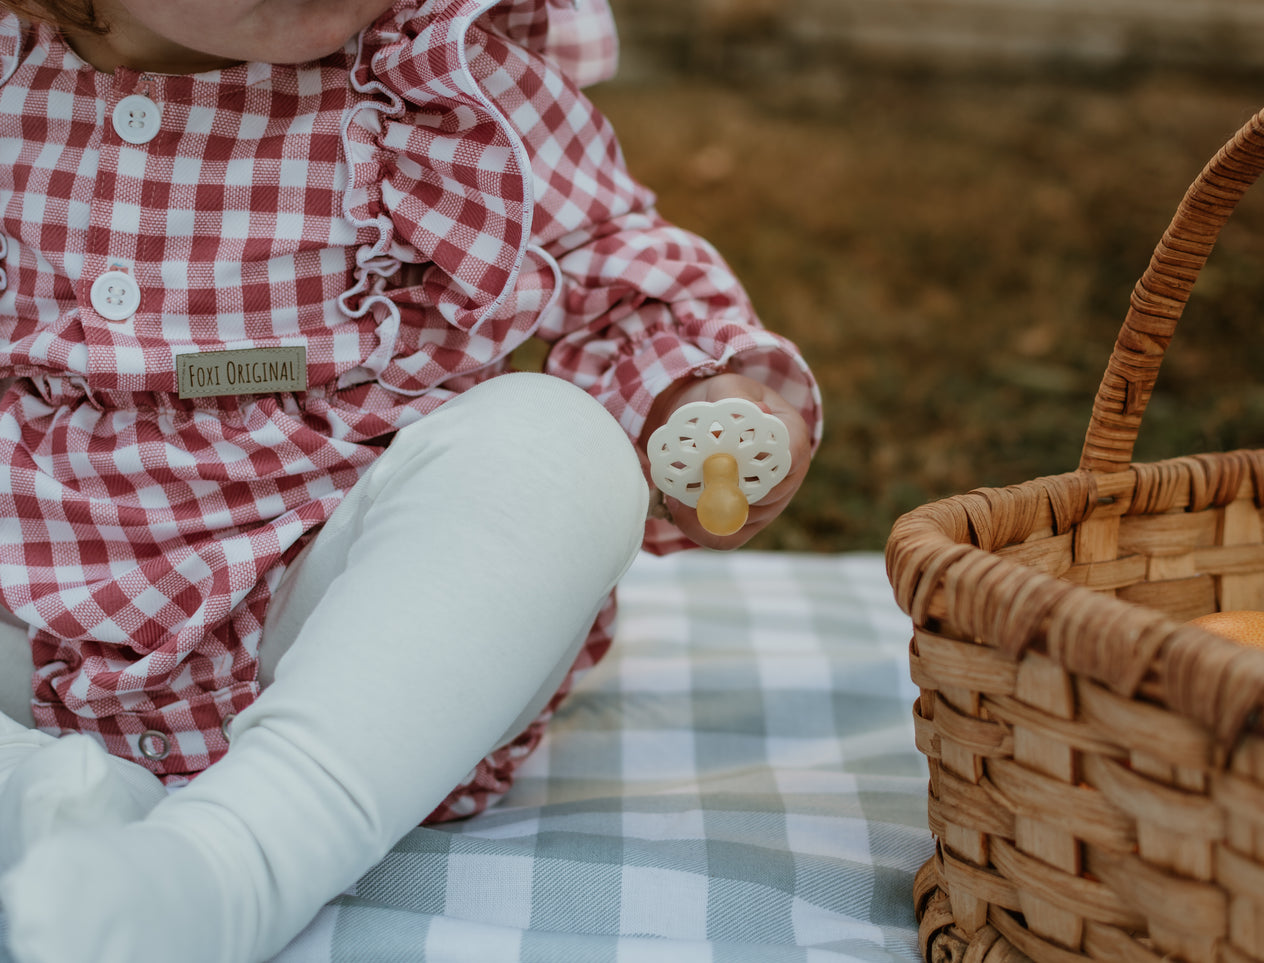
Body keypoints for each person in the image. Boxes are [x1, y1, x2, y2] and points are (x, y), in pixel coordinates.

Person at [0, 0, 820, 958]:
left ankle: (248, 853)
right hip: (26, 614)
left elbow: (617, 268)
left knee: (553, 441)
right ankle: (47, 802)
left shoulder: (439, 82)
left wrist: (697, 397)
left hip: (336, 614)